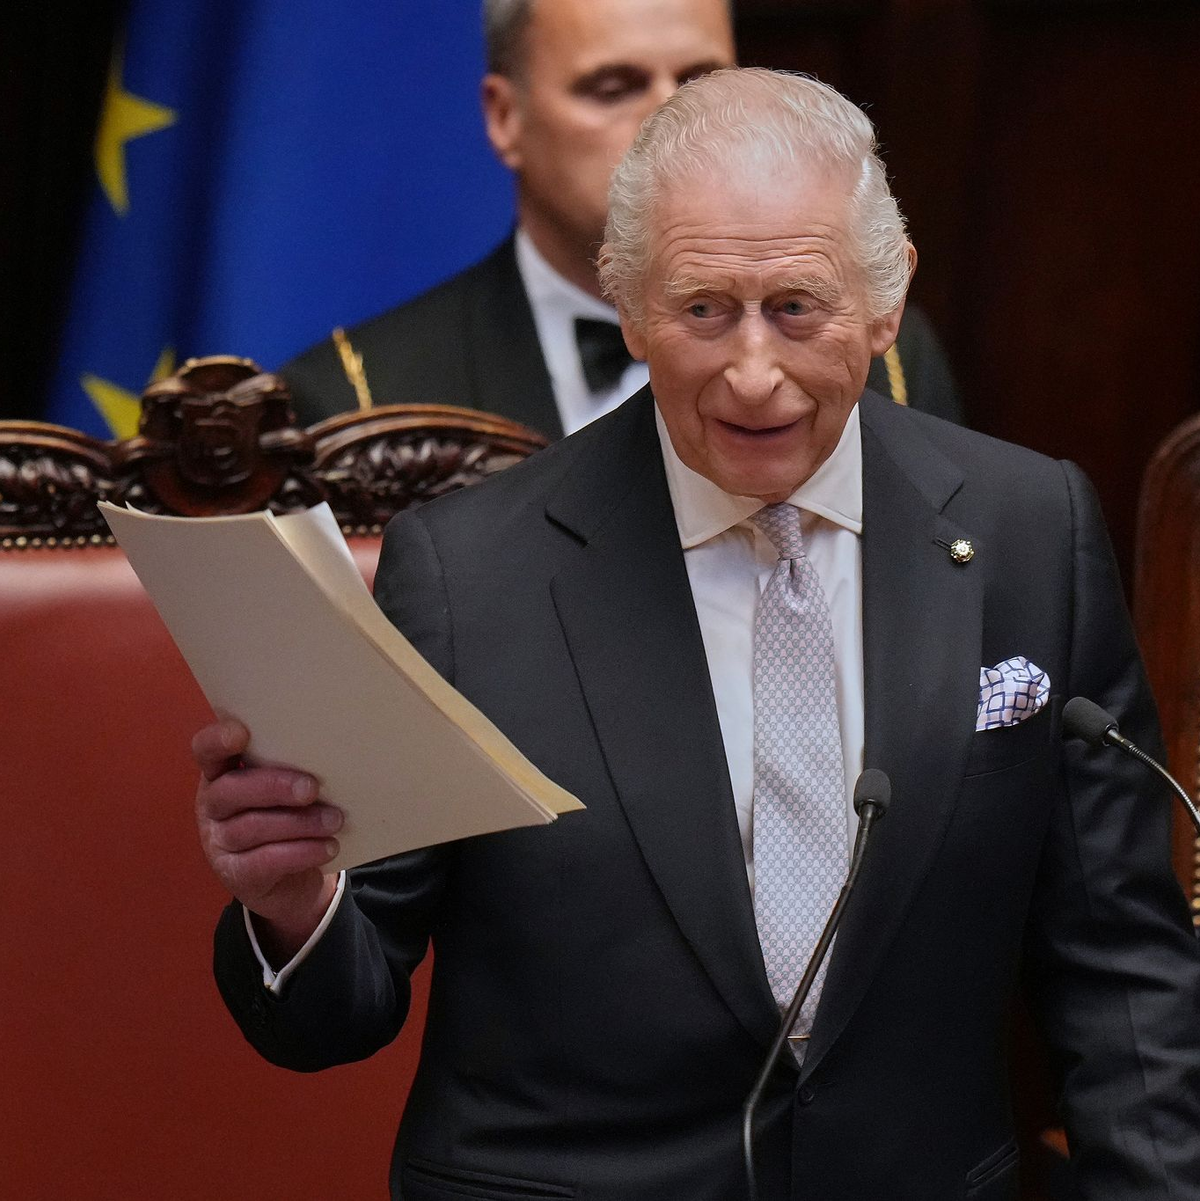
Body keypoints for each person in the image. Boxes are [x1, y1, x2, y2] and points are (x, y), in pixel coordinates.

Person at [196, 70, 1200, 1199]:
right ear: (629, 306)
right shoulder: (469, 574)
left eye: (796, 308)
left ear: (886, 299)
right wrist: (295, 905)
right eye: (703, 309)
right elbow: (339, 1009)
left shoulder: (1029, 531)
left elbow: (1120, 970)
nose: (753, 372)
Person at [279, 0, 965, 435]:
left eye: (701, 81)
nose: (672, 119)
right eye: (613, 88)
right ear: (504, 116)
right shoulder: (357, 394)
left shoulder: (888, 356)